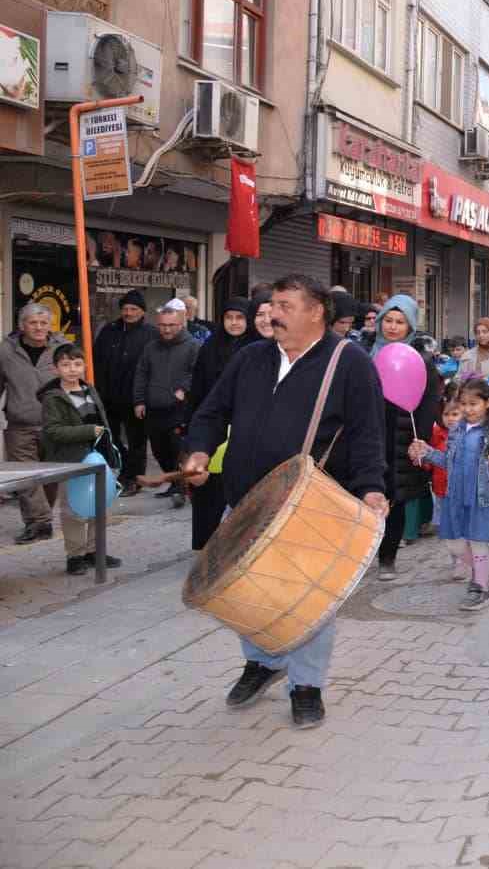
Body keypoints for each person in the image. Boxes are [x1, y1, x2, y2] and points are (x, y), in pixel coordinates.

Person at [183, 275, 388, 729]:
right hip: (245, 500)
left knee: (308, 600)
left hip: (309, 507)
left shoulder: (349, 363)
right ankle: (263, 662)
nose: (273, 313)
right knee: (247, 589)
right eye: (272, 304)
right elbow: (212, 412)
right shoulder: (250, 358)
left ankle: (307, 685)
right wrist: (198, 449)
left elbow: (369, 433)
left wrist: (372, 487)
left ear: (316, 311)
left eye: (284, 305)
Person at [409, 378, 489, 610]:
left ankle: (481, 589)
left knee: (478, 543)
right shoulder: (457, 430)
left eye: (473, 404)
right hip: (455, 496)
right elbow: (447, 461)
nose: (467, 409)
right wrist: (427, 452)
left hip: (482, 499)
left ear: (487, 403)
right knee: (453, 544)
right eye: (463, 404)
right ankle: (480, 570)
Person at [371, 295, 444, 581]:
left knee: (395, 498)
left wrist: (419, 439)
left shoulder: (421, 360)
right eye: (388, 320)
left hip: (402, 437)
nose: (392, 327)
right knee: (365, 495)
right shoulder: (365, 353)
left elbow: (429, 402)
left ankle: (387, 558)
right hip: (369, 434)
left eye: (400, 322)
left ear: (410, 325)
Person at [40, 343, 122, 574]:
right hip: (71, 460)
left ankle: (94, 551)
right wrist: (88, 431)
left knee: (101, 506)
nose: (72, 369)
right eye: (66, 365)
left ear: (84, 366)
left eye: (77, 364)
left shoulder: (89, 389)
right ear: (56, 368)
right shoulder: (53, 398)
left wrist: (111, 451)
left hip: (97, 459)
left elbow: (103, 424)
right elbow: (53, 431)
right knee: (74, 510)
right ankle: (74, 556)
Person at [187, 297, 261, 549]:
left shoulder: (256, 349)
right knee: (208, 492)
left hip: (242, 429)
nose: (234, 323)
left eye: (240, 318)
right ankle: (205, 546)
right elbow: (197, 389)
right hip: (212, 428)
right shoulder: (210, 348)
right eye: (229, 317)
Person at [3, 303, 70, 543]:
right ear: (22, 326)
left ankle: (41, 519)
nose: (39, 327)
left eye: (43, 323)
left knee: (49, 477)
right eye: (33, 323)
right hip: (19, 424)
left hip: (55, 425)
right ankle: (39, 522)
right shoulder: (6, 350)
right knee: (25, 476)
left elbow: (75, 383)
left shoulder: (63, 348)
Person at [91, 291, 156, 500]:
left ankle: (133, 478)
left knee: (137, 441)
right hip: (108, 395)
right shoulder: (109, 331)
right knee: (109, 437)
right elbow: (96, 359)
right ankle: (125, 468)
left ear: (142, 311)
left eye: (133, 309)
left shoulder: (151, 333)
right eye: (125, 309)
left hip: (135, 398)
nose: (128, 313)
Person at [133, 304, 199, 509]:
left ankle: (180, 489)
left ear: (181, 324)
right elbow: (141, 374)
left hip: (179, 410)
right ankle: (174, 483)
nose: (166, 329)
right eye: (162, 325)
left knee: (177, 449)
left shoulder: (193, 346)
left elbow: (198, 372)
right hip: (154, 408)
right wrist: (139, 400)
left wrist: (184, 389)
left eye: (171, 325)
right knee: (160, 450)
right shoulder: (151, 347)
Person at [457, 318, 489, 382]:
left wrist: (487, 380)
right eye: (478, 332)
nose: (481, 335)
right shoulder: (467, 355)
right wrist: (463, 379)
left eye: (484, 332)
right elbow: (457, 379)